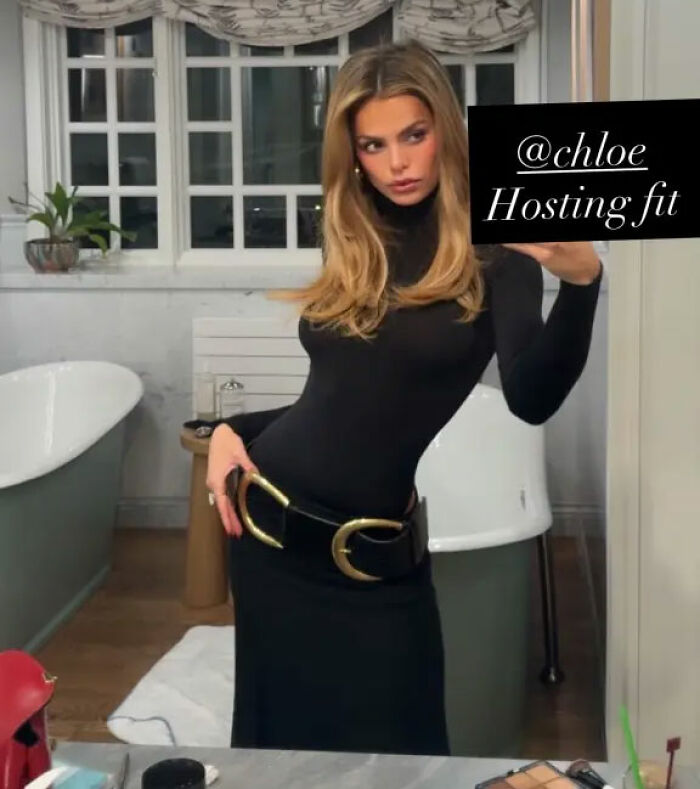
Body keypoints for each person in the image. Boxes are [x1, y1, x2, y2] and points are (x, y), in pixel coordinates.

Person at [205, 38, 603, 757]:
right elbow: (341, 397)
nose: (397, 163)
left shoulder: (497, 249)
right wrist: (232, 430)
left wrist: (581, 284)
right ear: (353, 153)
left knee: (402, 757)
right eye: (374, 144)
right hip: (269, 544)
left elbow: (532, 397)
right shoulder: (354, 228)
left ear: (444, 127)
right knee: (280, 759)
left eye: (414, 135)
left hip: (377, 564)